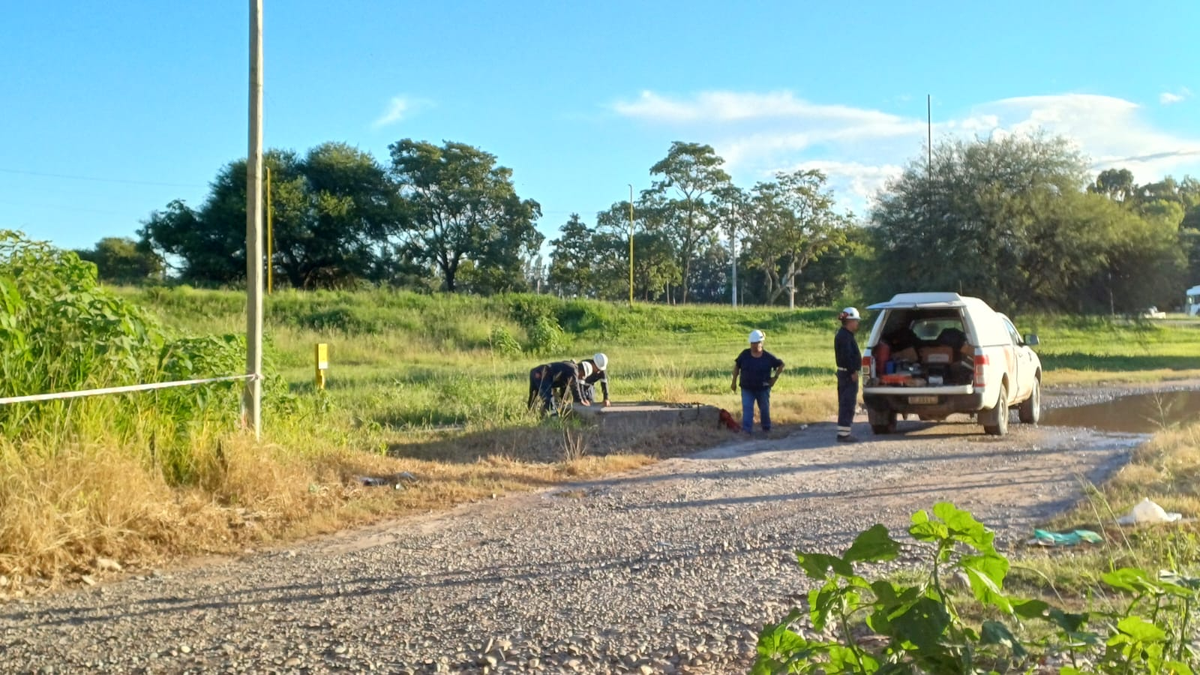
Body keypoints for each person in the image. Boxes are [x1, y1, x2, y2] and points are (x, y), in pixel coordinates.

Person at [731, 330, 784, 434]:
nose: (753, 346)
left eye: (755, 343)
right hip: (747, 387)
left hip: (763, 388)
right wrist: (733, 382)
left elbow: (781, 365)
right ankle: (746, 431)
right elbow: (737, 367)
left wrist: (775, 378)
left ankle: (766, 428)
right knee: (747, 408)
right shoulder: (744, 355)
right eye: (752, 343)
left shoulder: (768, 357)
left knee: (764, 409)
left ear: (761, 343)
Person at [835, 307, 862, 443]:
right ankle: (844, 434)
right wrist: (853, 371)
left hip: (845, 373)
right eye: (856, 321)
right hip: (847, 374)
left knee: (846, 403)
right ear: (850, 321)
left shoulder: (845, 335)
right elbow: (847, 356)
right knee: (847, 403)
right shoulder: (845, 337)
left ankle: (844, 432)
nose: (857, 323)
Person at [527, 360, 593, 415]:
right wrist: (580, 400)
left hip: (535, 371)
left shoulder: (568, 368)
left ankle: (530, 412)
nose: (580, 378)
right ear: (582, 371)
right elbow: (575, 387)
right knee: (547, 397)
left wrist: (563, 401)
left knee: (533, 396)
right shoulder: (573, 370)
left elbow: (565, 388)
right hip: (542, 373)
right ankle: (553, 417)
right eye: (582, 376)